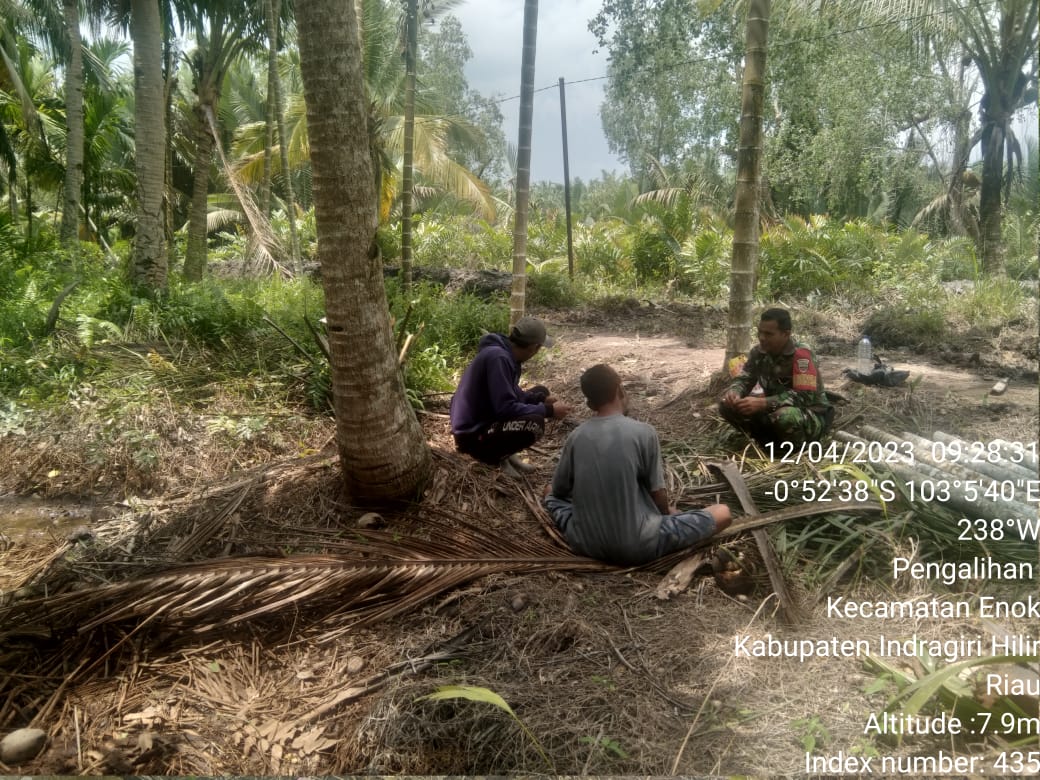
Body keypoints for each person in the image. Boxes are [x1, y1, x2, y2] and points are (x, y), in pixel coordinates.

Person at [544, 364, 731, 566]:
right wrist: (668, 513)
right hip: (638, 545)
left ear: (589, 403)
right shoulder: (644, 432)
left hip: (585, 543)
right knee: (722, 513)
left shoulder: (576, 436)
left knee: (549, 492)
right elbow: (657, 493)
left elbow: (560, 490)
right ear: (620, 390)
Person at [450, 316, 572, 475]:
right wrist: (549, 410)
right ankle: (495, 457)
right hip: (472, 436)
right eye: (539, 348)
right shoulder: (499, 358)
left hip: (486, 420)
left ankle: (506, 452)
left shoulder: (505, 355)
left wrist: (541, 399)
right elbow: (505, 408)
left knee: (541, 391)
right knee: (535, 423)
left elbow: (512, 393)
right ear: (534, 348)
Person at [720, 307, 833, 447]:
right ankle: (765, 441)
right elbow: (744, 379)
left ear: (786, 334)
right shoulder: (758, 353)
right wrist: (735, 392)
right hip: (773, 410)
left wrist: (763, 403)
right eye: (760, 332)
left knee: (786, 417)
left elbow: (804, 396)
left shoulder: (801, 355)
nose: (761, 338)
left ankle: (794, 449)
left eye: (768, 334)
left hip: (808, 414)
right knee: (727, 405)